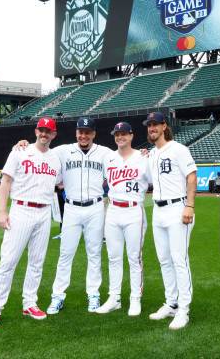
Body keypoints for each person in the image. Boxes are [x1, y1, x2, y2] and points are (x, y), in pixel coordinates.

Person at [0, 117, 62, 330]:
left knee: (37, 262)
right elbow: (6, 181)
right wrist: (2, 211)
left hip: (44, 212)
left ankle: (30, 303)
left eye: (49, 131)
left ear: (54, 135)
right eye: (41, 130)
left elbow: (61, 183)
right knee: (8, 261)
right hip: (21, 210)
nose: (44, 134)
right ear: (36, 131)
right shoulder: (19, 151)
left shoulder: (55, 159)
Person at [43, 117, 113, 315]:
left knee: (94, 253)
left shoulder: (105, 153)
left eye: (87, 131)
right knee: (66, 254)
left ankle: (93, 294)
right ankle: (57, 296)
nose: (83, 135)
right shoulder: (63, 151)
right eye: (80, 131)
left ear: (94, 134)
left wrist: (143, 153)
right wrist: (22, 144)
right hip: (72, 208)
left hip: (96, 207)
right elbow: (41, 148)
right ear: (76, 133)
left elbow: (125, 159)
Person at [144, 111, 197, 330]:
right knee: (164, 259)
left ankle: (184, 309)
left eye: (156, 124)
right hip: (158, 209)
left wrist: (190, 205)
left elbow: (192, 176)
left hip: (178, 208)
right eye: (149, 125)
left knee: (179, 259)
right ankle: (172, 302)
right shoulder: (152, 154)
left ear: (165, 126)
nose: (152, 128)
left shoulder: (178, 149)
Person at [95, 122, 151, 317]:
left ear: (131, 135)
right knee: (113, 257)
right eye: (117, 134)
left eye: (124, 134)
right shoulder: (108, 158)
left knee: (134, 257)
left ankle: (135, 299)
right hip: (113, 210)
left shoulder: (144, 157)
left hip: (134, 211)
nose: (120, 137)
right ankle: (114, 298)